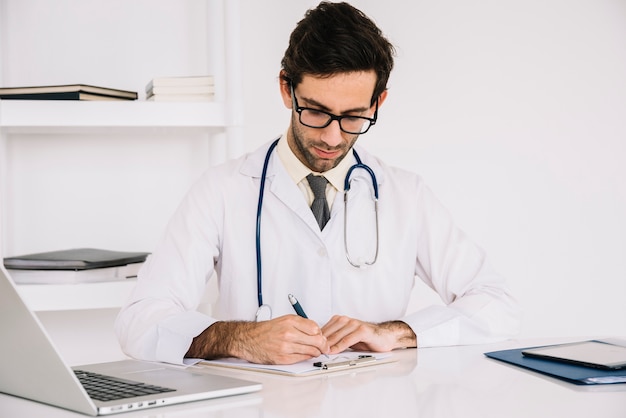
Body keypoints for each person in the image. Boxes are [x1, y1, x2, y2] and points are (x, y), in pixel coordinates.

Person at [115, 1, 521, 365]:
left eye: (353, 117)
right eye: (315, 111)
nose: (332, 137)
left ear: (378, 102)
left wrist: (395, 333)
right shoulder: (221, 190)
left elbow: (496, 304)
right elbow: (139, 320)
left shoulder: (406, 195)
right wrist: (239, 338)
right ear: (286, 89)